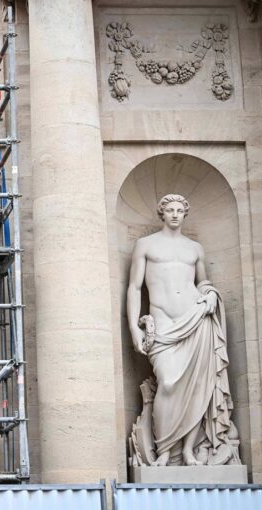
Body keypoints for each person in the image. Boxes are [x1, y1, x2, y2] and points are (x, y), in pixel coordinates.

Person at [127, 194, 236, 467]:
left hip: (196, 320)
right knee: (168, 382)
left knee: (198, 387)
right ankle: (164, 449)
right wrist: (133, 327)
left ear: (184, 214)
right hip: (163, 323)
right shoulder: (146, 244)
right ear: (161, 213)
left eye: (179, 210)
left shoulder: (195, 248)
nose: (175, 214)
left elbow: (203, 282)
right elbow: (134, 288)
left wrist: (209, 294)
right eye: (170, 210)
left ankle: (187, 452)